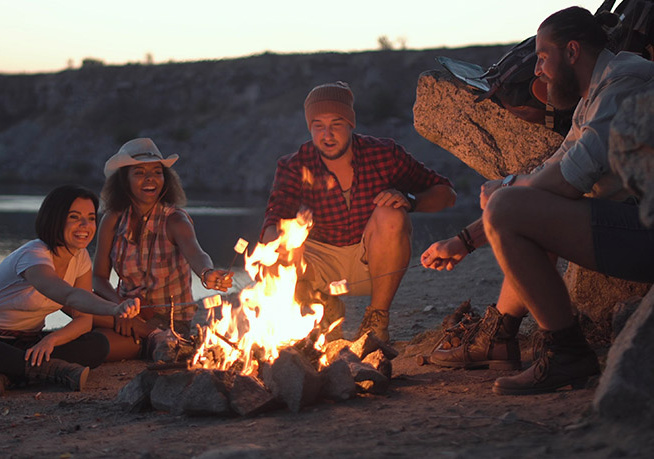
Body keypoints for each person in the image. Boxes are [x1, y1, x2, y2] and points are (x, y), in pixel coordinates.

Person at [420, 7, 654, 395]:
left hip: (645, 230)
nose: (539, 70)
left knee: (511, 207)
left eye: (543, 57)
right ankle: (500, 336)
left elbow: (565, 182)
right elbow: (548, 178)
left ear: (573, 51)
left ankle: (567, 354)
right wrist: (463, 241)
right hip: (634, 224)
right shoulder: (595, 93)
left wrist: (508, 188)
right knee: (515, 207)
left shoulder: (624, 84)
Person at [262, 81, 456, 342]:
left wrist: (410, 200)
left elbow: (447, 194)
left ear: (351, 123)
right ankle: (321, 308)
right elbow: (274, 217)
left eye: (336, 124)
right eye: (318, 125)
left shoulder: (384, 155)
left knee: (391, 213)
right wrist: (273, 247)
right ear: (310, 127)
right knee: (275, 242)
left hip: (372, 263)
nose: (327, 134)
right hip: (318, 265)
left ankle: (376, 319)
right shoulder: (294, 165)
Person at [0, 185, 141, 397]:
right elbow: (68, 296)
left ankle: (4, 375)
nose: (85, 225)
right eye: (74, 217)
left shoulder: (80, 257)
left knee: (96, 345)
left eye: (91, 218)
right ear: (55, 218)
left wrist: (51, 340)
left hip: (25, 342)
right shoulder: (34, 256)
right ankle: (51, 370)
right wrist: (115, 308)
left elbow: (83, 321)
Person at [91, 138, 232, 361]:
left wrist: (208, 274)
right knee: (74, 301)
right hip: (123, 311)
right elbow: (98, 278)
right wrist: (120, 307)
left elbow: (196, 253)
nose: (150, 179)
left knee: (97, 344)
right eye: (139, 173)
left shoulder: (175, 220)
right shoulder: (112, 219)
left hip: (169, 320)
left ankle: (160, 342)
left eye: (157, 172)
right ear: (124, 180)